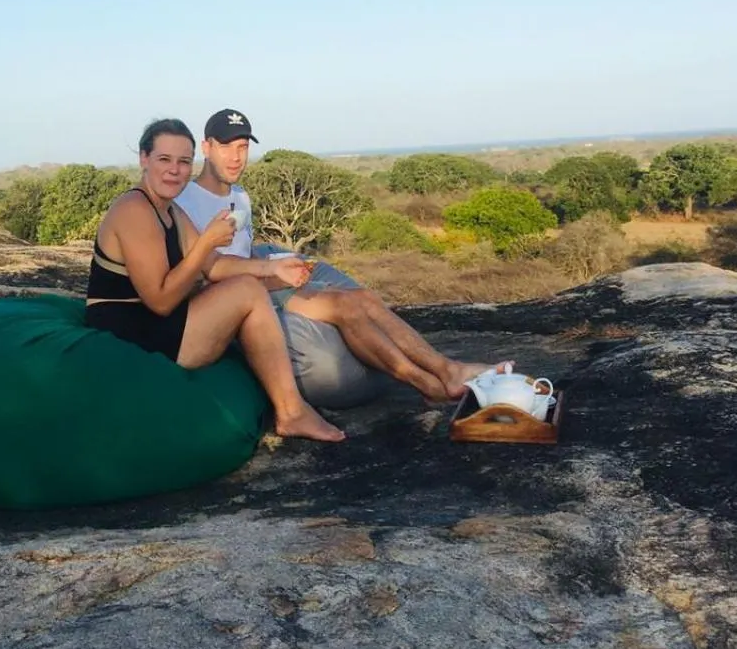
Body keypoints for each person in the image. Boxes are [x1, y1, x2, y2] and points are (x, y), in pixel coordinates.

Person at [176, 109, 511, 405]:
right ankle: (428, 383)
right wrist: (270, 271)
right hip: (232, 297)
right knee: (346, 305)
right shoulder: (187, 202)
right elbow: (205, 272)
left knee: (362, 298)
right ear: (206, 148)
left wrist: (279, 268)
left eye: (243, 147)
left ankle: (447, 369)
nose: (235, 157)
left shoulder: (240, 196)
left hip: (256, 280)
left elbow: (244, 252)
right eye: (225, 147)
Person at [85, 118, 346, 442]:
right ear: (144, 159)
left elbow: (214, 265)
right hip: (128, 333)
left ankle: (290, 408)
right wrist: (207, 240)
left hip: (152, 322)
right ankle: (291, 412)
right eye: (164, 159)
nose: (174, 170)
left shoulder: (170, 211)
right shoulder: (134, 209)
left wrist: (272, 270)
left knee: (247, 287)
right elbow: (161, 300)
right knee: (247, 293)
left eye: (183, 162)